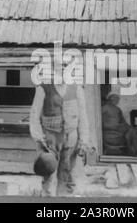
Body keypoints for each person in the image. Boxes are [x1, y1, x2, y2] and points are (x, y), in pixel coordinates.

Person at [29, 66, 91, 197]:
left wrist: (83, 141)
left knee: (67, 173)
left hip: (71, 137)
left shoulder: (77, 89)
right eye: (59, 72)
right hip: (50, 138)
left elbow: (83, 116)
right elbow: (34, 116)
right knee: (48, 174)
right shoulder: (43, 88)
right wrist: (39, 138)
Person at [101, 91, 137, 158]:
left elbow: (123, 122)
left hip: (117, 130)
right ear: (111, 98)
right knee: (132, 132)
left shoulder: (117, 109)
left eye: (118, 99)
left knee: (134, 131)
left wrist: (129, 127)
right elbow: (102, 123)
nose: (118, 100)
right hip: (109, 132)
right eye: (116, 98)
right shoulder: (104, 108)